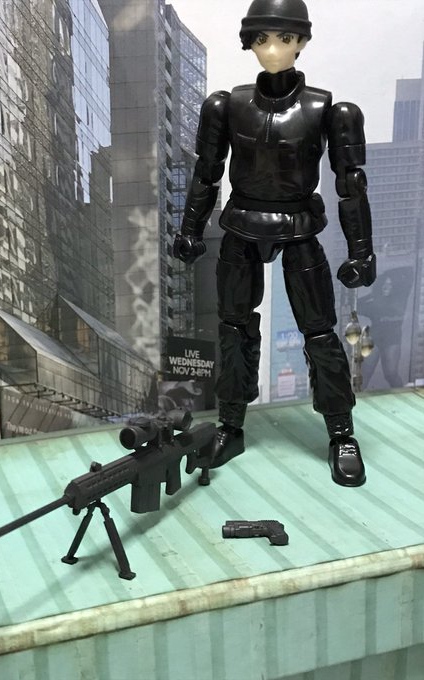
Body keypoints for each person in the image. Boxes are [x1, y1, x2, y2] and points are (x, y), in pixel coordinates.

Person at [173, 0, 376, 487]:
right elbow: (206, 173)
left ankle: (341, 432)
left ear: (302, 41)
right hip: (242, 223)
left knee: (320, 332)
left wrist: (361, 251)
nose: (272, 50)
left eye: (284, 39)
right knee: (233, 328)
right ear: (249, 42)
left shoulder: (328, 110)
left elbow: (351, 187)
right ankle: (231, 424)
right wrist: (190, 228)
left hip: (300, 224)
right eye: (261, 39)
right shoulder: (226, 106)